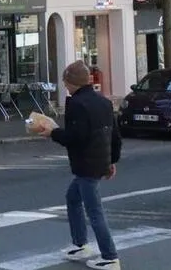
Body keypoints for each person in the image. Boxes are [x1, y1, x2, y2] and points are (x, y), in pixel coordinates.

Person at [32, 60, 122, 269]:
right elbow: (115, 136)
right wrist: (111, 161)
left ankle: (110, 257)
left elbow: (75, 137)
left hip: (85, 164)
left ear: (73, 82)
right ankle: (80, 244)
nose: (65, 85)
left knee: (94, 211)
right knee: (73, 198)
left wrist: (52, 132)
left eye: (66, 82)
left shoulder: (76, 104)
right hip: (99, 161)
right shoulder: (104, 102)